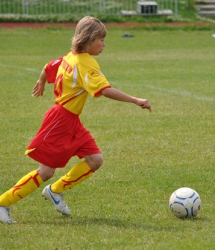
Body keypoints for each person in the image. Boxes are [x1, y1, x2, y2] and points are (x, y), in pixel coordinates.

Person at [0, 16, 151, 223]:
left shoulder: (70, 57)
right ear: (88, 39)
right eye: (101, 40)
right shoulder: (85, 62)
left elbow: (48, 67)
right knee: (45, 171)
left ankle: (55, 191)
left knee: (95, 160)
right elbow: (105, 90)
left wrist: (41, 81)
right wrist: (136, 100)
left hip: (71, 120)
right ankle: (3, 203)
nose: (104, 45)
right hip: (60, 121)